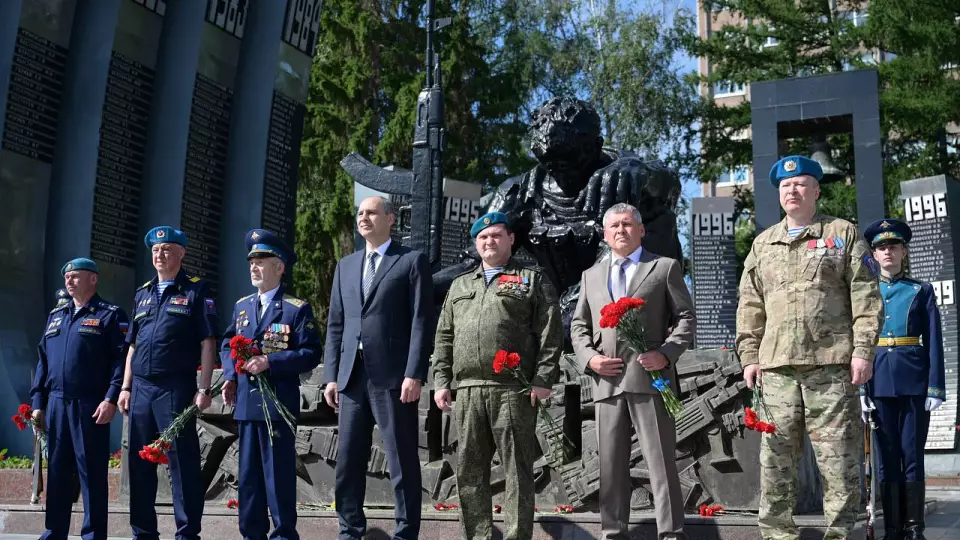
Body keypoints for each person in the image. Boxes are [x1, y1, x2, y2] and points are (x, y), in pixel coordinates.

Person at [736, 155, 883, 540]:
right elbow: (750, 305)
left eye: (801, 184)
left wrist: (863, 351)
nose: (793, 190)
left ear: (816, 191)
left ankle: (840, 535)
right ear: (778, 194)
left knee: (839, 462)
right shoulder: (763, 244)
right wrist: (749, 357)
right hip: (777, 370)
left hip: (831, 367)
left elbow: (866, 297)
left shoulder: (842, 233)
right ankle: (777, 535)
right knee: (775, 462)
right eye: (786, 186)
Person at [433, 211, 564, 540]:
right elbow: (444, 337)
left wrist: (543, 379)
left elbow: (550, 333)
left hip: (511, 390)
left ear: (510, 239)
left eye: (496, 235)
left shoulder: (531, 279)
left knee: (517, 471)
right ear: (476, 244)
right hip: (467, 390)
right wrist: (441, 381)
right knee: (469, 471)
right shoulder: (460, 284)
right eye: (483, 237)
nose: (489, 241)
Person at [570, 202, 694, 540]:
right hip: (607, 382)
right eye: (614, 226)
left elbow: (686, 318)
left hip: (651, 380)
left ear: (641, 230)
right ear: (604, 234)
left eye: (627, 224)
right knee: (610, 467)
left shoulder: (664, 267)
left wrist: (665, 354)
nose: (621, 230)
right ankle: (613, 533)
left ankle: (671, 534)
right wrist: (590, 359)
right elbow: (579, 326)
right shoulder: (591, 275)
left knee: (661, 463)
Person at [322, 196, 434, 540]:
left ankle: (405, 533)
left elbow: (421, 321)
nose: (363, 217)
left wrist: (414, 373)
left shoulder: (410, 261)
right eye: (360, 213)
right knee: (347, 461)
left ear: (390, 219)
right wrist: (331, 377)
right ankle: (349, 531)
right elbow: (336, 325)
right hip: (351, 377)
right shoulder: (346, 266)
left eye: (371, 212)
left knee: (401, 460)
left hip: (393, 378)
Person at [117, 226, 219, 540]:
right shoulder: (143, 293)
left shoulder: (196, 290)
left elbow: (208, 341)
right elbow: (132, 345)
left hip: (175, 386)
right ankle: (143, 532)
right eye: (156, 250)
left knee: (182, 463)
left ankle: (187, 533)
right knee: (140, 463)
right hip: (141, 388)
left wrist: (203, 388)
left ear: (181, 253)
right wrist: (125, 387)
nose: (160, 255)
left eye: (166, 249)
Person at [220, 229, 321, 540]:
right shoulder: (242, 307)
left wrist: (271, 361)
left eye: (261, 261)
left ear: (279, 267)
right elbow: (226, 343)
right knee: (248, 480)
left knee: (277, 479)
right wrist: (230, 375)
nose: (254, 267)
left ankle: (283, 535)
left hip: (277, 408)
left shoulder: (295, 308)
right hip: (247, 407)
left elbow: (311, 353)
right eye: (251, 261)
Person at [30, 258, 128, 540]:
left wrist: (111, 397)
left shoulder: (109, 315)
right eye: (67, 277)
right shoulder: (56, 316)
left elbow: (119, 361)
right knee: (57, 472)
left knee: (91, 474)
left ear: (93, 279)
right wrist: (38, 404)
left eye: (75, 276)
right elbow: (43, 362)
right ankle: (54, 532)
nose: (69, 281)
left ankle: (93, 534)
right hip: (57, 404)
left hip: (90, 404)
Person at [860, 218, 945, 540]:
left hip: (913, 380)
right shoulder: (866, 291)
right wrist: (860, 389)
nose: (888, 252)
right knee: (887, 458)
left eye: (893, 246)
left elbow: (934, 340)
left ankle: (914, 527)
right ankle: (892, 529)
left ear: (903, 252)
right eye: (882, 247)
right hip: (878, 379)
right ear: (874, 254)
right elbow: (858, 341)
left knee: (912, 455)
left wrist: (935, 387)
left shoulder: (920, 290)